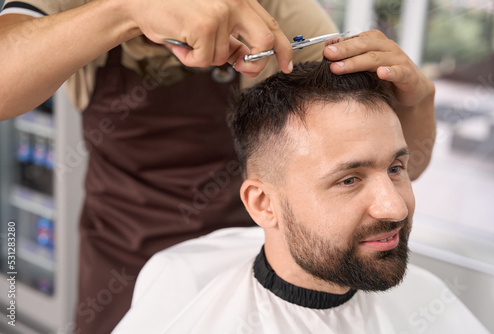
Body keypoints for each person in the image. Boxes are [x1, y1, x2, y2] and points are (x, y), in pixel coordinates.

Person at [0, 0, 435, 332]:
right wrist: (126, 11)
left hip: (256, 260)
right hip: (119, 256)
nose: (391, 208)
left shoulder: (279, 13)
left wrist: (418, 101)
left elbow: (396, 168)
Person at [114, 62, 488, 334]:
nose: (396, 207)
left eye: (395, 168)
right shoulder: (185, 294)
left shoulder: (428, 300)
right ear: (263, 204)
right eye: (349, 180)